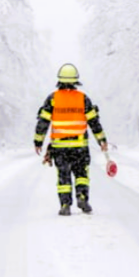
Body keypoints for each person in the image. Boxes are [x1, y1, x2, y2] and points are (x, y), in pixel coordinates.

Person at [33, 63, 108, 216]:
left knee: (63, 175)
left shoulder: (53, 99)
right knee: (81, 174)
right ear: (75, 81)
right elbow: (94, 122)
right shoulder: (83, 99)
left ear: (59, 80)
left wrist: (38, 142)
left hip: (60, 147)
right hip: (79, 146)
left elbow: (43, 122)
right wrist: (102, 140)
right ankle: (82, 197)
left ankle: (65, 204)